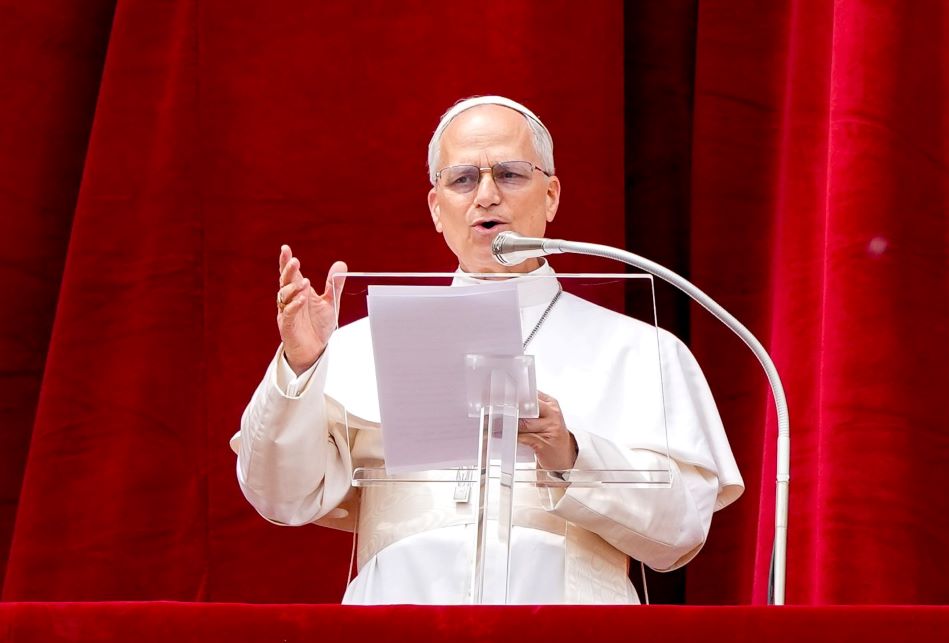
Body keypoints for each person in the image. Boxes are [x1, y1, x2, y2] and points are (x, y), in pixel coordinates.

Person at [231, 95, 743, 604]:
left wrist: (571, 453)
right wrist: (302, 365)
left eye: (511, 174)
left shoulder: (638, 350)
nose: (486, 195)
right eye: (463, 179)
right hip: (396, 631)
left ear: (551, 195)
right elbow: (281, 496)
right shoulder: (355, 346)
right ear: (436, 208)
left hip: (573, 636)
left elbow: (682, 530)